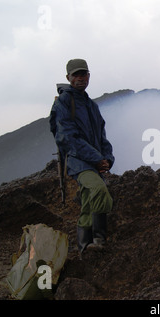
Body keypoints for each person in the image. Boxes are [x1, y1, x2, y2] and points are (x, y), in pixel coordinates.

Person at [49, 58, 115, 255]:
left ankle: (83, 248)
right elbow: (67, 137)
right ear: (68, 77)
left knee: (87, 202)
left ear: (89, 76)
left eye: (83, 74)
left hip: (94, 162)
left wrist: (107, 159)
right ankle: (100, 240)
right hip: (78, 161)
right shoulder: (63, 102)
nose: (80, 78)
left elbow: (102, 137)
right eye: (75, 75)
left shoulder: (91, 106)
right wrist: (96, 158)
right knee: (99, 190)